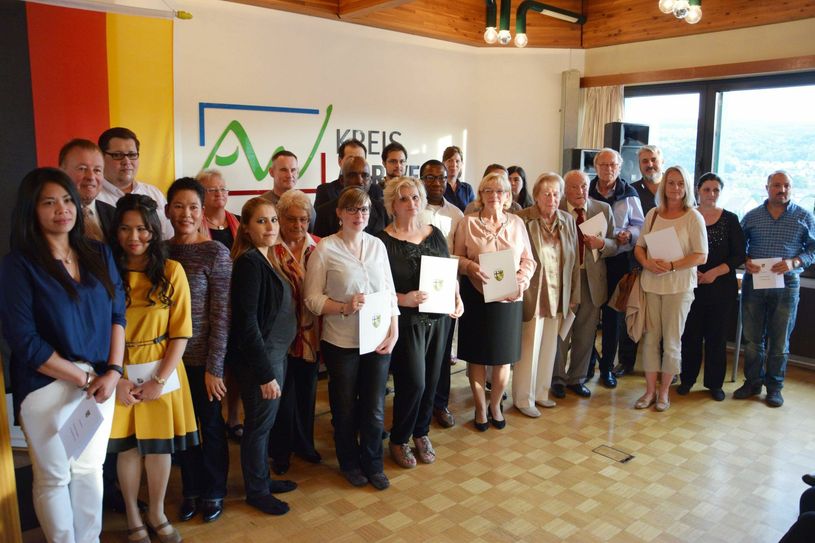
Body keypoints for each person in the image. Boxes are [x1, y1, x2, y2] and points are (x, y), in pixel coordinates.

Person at [0, 167, 125, 543]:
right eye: (49, 202)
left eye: (68, 200)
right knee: (54, 476)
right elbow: (25, 341)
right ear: (31, 209)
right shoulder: (18, 265)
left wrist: (114, 371)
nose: (62, 209)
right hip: (46, 384)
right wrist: (83, 378)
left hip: (100, 384)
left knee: (90, 471)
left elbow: (118, 314)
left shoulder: (98, 253)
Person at [108, 194, 199, 543]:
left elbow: (181, 332)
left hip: (162, 367)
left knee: (159, 447)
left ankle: (157, 512)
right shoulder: (106, 271)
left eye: (142, 229)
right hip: (119, 370)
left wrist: (159, 380)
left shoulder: (172, 270)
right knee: (128, 448)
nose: (134, 237)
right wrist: (116, 378)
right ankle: (133, 515)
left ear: (154, 230)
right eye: (126, 228)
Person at [304, 187, 400, 490]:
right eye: (353, 209)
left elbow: (389, 291)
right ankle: (349, 462)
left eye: (364, 210)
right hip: (341, 342)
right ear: (340, 214)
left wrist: (394, 330)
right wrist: (343, 307)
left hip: (377, 339)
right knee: (344, 408)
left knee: (374, 407)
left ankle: (373, 463)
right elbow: (312, 299)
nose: (359, 215)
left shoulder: (377, 245)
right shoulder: (325, 249)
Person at [378, 177, 462, 468]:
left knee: (432, 381)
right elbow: (377, 289)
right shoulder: (382, 241)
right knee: (413, 382)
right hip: (406, 322)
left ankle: (421, 432)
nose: (411, 203)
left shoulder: (434, 233)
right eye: (403, 198)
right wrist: (404, 299)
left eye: (415, 197)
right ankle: (399, 438)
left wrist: (457, 297)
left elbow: (448, 271)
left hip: (438, 319)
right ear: (392, 205)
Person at [224, 197, 298, 515]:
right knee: (258, 426)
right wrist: (265, 374)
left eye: (273, 220)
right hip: (261, 361)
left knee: (264, 424)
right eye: (261, 221)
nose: (270, 226)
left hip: (276, 354)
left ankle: (263, 480)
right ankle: (256, 491)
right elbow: (247, 324)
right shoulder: (249, 263)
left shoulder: (268, 258)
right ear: (246, 228)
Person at [165, 178, 231, 523]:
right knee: (183, 429)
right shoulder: (159, 251)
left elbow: (222, 314)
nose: (186, 214)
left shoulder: (215, 252)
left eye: (193, 207)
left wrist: (214, 367)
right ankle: (191, 490)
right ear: (167, 211)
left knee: (212, 426)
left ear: (202, 211)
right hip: (168, 363)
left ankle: (215, 490)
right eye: (178, 206)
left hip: (204, 361)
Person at [453, 172, 535, 430]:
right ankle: (479, 408)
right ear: (481, 194)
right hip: (476, 297)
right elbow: (455, 258)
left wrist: (521, 280)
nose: (494, 196)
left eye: (499, 191)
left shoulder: (517, 223)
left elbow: (529, 260)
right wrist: (470, 267)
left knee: (503, 358)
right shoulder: (467, 223)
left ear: (507, 196)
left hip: (508, 299)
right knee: (477, 357)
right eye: (488, 191)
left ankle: (496, 405)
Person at [735, 171, 815, 407]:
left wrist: (795, 262)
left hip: (787, 284)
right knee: (752, 339)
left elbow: (813, 249)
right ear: (767, 187)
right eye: (777, 185)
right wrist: (746, 260)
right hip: (755, 282)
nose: (782, 190)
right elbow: (738, 245)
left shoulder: (804, 216)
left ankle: (774, 388)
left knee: (779, 342)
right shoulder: (752, 216)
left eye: (787, 185)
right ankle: (752, 382)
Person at [633, 165, 708, 412]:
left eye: (680, 183)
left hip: (679, 287)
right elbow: (639, 247)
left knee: (672, 342)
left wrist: (673, 265)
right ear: (664, 186)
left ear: (687, 188)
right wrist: (647, 263)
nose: (675, 188)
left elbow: (701, 255)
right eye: (671, 183)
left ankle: (664, 392)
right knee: (650, 340)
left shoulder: (693, 217)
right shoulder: (653, 214)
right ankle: (649, 391)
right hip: (652, 284)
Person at [514, 173, 578, 416]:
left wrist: (573, 294)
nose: (552, 198)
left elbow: (574, 260)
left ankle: (541, 393)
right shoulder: (523, 218)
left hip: (558, 293)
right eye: (546, 193)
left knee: (550, 346)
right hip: (533, 292)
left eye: (556, 193)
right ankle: (523, 398)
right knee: (529, 348)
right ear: (536, 196)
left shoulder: (567, 220)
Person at [268, 190, 323, 475]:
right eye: (291, 219)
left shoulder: (319, 246)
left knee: (306, 391)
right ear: (279, 217)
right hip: (279, 335)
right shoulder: (269, 247)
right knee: (282, 395)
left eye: (303, 219)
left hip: (312, 332)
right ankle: (280, 451)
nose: (298, 225)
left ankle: (304, 443)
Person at [679, 173, 745, 401]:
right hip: (691, 284)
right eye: (707, 189)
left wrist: (714, 273)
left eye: (716, 190)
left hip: (721, 287)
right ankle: (687, 379)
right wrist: (692, 271)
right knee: (690, 336)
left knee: (717, 338)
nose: (711, 194)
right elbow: (679, 248)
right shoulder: (687, 215)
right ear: (698, 190)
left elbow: (739, 255)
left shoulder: (730, 219)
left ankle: (714, 384)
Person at [553, 170, 617, 400]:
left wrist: (602, 244)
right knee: (561, 333)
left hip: (591, 280)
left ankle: (577, 379)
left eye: (584, 186)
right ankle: (557, 378)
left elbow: (614, 244)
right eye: (575, 187)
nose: (581, 191)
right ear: (565, 190)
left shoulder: (602, 209)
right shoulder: (556, 208)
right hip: (564, 280)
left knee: (586, 333)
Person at [589, 148, 645, 388]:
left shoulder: (629, 194)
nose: (608, 169)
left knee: (612, 318)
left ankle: (606, 369)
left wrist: (629, 234)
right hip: (591, 261)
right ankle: (587, 365)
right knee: (589, 316)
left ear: (620, 168)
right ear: (596, 167)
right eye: (603, 164)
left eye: (613, 165)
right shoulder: (586, 190)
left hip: (618, 261)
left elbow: (640, 225)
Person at [196, 168, 243, 440]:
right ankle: (212, 420)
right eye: (212, 190)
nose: (220, 194)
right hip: (208, 306)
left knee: (235, 365)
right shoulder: (195, 226)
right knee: (215, 365)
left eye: (223, 188)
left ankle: (233, 417)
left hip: (237, 300)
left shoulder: (239, 223)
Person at [418, 159, 464, 429]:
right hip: (417, 291)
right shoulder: (413, 210)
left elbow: (459, 254)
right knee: (418, 354)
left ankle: (440, 403)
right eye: (430, 177)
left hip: (445, 288)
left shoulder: (456, 214)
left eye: (442, 178)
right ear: (422, 179)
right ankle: (416, 404)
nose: (437, 183)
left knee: (442, 352)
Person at [615, 145, 664, 378]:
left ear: (661, 161)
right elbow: (626, 223)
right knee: (630, 311)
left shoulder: (673, 189)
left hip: (665, 262)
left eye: (653, 159)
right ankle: (626, 362)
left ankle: (664, 365)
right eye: (645, 161)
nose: (650, 164)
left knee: (662, 316)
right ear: (639, 165)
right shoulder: (630, 191)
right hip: (635, 260)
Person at [96, 127, 174, 238]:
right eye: (117, 155)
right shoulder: (93, 197)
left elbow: (169, 237)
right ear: (101, 157)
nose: (127, 161)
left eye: (132, 155)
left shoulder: (153, 193)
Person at [313, 156, 389, 237]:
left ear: (370, 181)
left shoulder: (382, 210)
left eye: (365, 175)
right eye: (353, 175)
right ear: (342, 180)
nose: (359, 181)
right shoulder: (324, 213)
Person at [59, 138, 116, 243]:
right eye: (82, 168)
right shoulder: (53, 218)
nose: (91, 177)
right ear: (62, 173)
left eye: (97, 170)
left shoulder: (115, 215)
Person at [314, 139, 384, 208]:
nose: (355, 163)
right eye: (351, 159)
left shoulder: (376, 191)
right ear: (340, 161)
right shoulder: (326, 191)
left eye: (360, 159)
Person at [261, 150, 316, 231]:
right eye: (284, 170)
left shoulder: (305, 202)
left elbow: (312, 233)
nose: (290, 175)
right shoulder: (261, 204)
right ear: (271, 172)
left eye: (293, 170)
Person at [442, 145, 474, 212]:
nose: (454, 164)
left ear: (461, 164)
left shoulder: (467, 189)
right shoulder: (439, 187)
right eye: (450, 160)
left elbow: (473, 212)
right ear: (443, 163)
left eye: (457, 161)